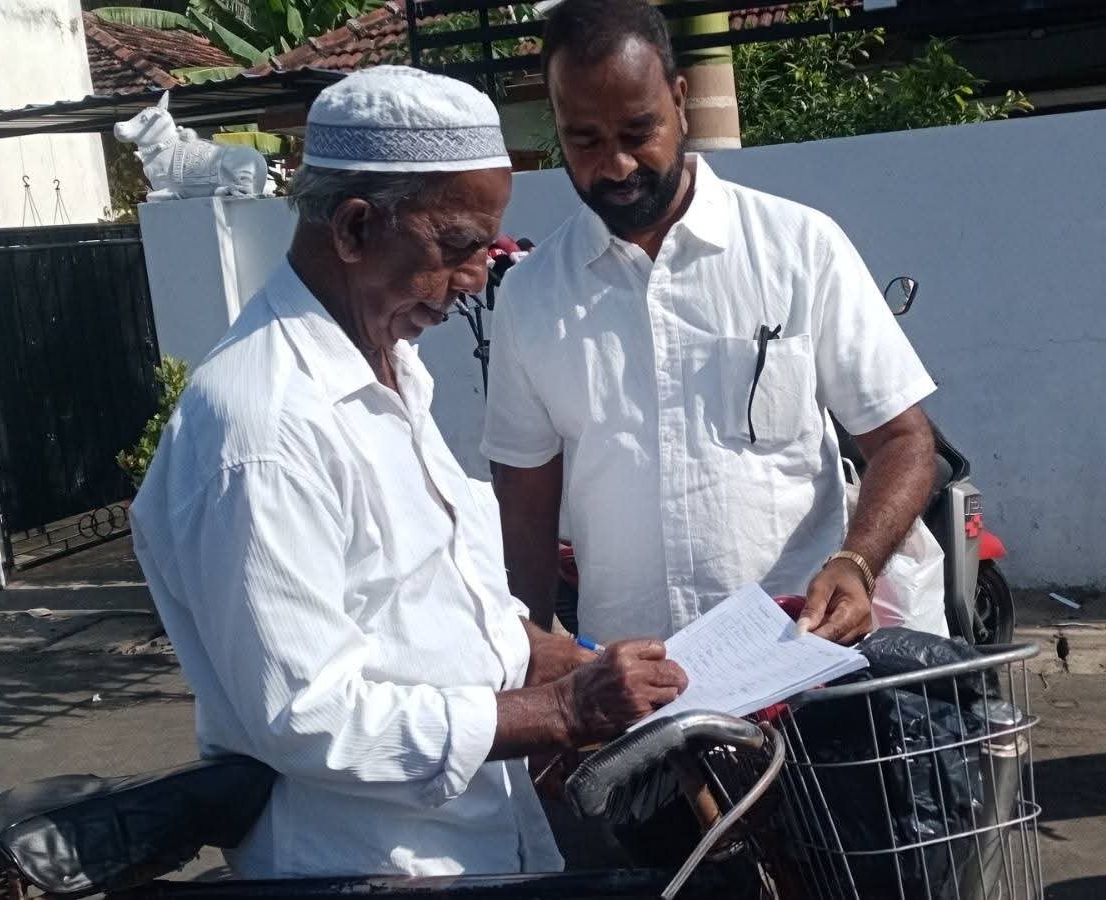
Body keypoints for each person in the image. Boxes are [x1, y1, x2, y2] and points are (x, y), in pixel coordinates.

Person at [129, 65, 687, 880]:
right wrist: (560, 711)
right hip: (366, 866)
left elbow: (423, 602)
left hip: (475, 842)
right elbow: (307, 717)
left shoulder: (390, 368)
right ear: (355, 228)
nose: (476, 277)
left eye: (486, 247)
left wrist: (542, 654)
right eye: (458, 246)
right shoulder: (263, 427)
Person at [482, 0, 941, 648]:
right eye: (584, 140)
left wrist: (857, 563)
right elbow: (525, 499)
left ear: (680, 101)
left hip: (799, 659)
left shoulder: (799, 249)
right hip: (636, 684)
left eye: (638, 131)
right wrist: (530, 657)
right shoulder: (531, 295)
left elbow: (903, 441)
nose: (616, 164)